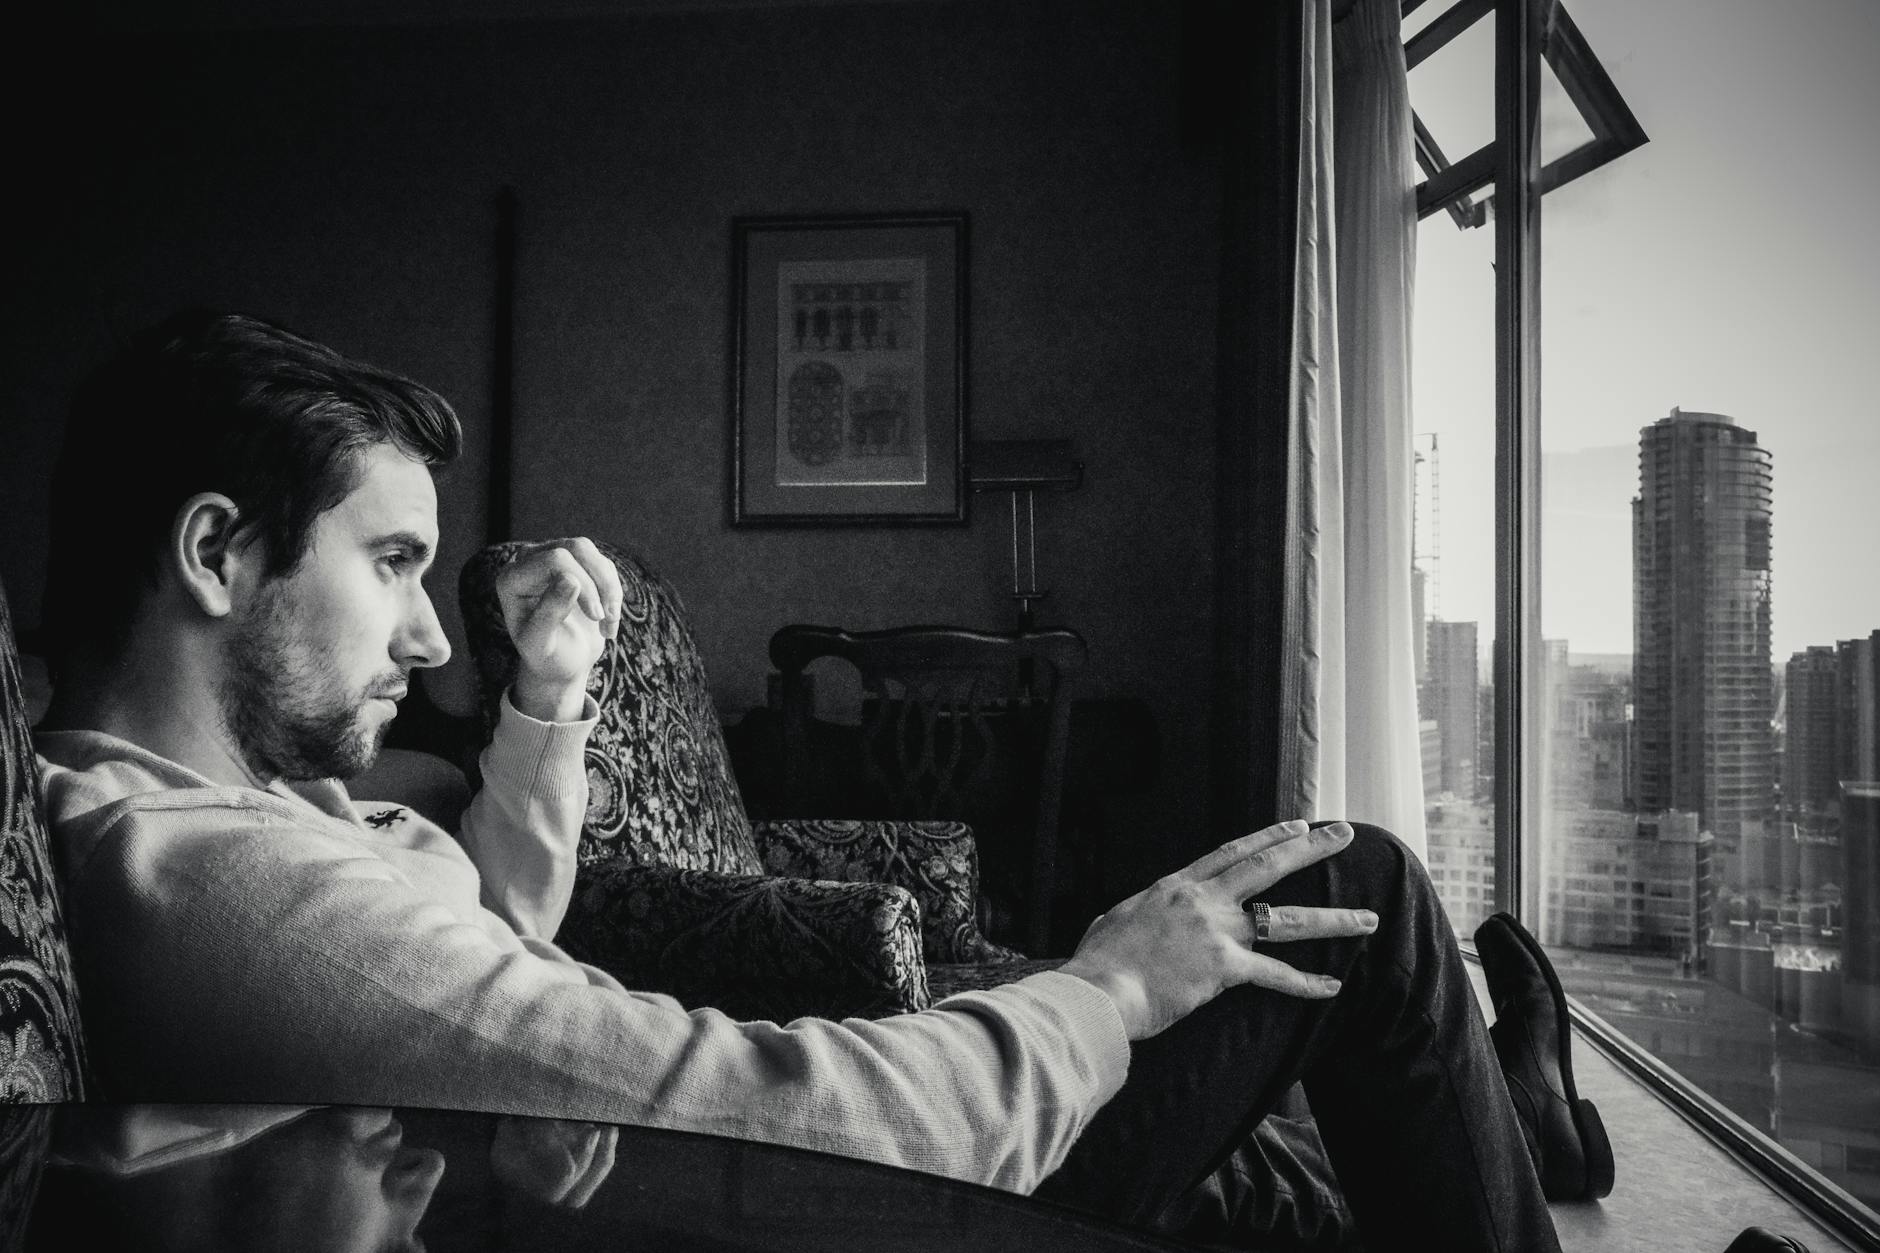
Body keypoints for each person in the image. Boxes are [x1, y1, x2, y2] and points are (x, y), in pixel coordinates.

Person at [35, 311, 1609, 1251]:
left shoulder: (274, 812)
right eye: (391, 565)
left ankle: (1504, 1122)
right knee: (1355, 891)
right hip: (830, 1203)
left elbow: (496, 920)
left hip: (762, 1168)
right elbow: (747, 1116)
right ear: (215, 552)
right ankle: (1498, 1117)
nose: (431, 626)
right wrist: (1104, 992)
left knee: (1289, 1116)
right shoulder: (217, 876)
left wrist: (551, 690)